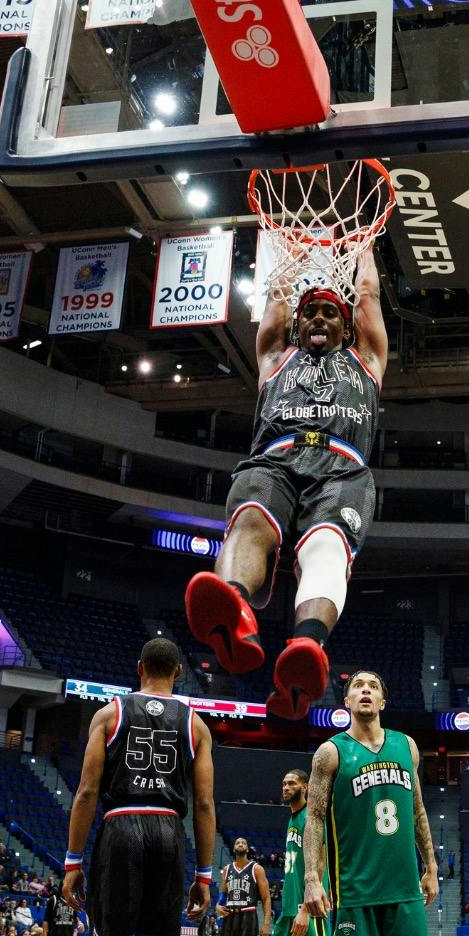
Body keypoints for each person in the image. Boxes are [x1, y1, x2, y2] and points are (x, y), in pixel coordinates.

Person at [185, 247, 388, 720]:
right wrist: (286, 255)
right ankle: (234, 610)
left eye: (330, 314)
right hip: (275, 458)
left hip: (342, 464)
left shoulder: (368, 360)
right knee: (251, 520)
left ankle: (307, 647)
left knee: (326, 547)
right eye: (310, 313)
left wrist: (366, 249)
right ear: (298, 327)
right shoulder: (276, 356)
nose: (319, 318)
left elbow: (368, 295)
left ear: (347, 327)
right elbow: (276, 299)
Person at [61, 637, 216, 936]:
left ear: (139, 667)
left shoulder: (110, 714)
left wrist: (72, 862)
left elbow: (86, 793)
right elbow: (205, 803)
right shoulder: (196, 725)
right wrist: (205, 875)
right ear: (178, 673)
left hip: (121, 826)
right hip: (168, 831)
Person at [303, 670, 438, 936]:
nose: (365, 690)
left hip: (403, 878)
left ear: (382, 701)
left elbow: (418, 809)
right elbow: (315, 817)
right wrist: (312, 879)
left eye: (373, 686)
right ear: (347, 701)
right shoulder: (330, 752)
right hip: (356, 880)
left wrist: (432, 866)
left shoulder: (406, 745)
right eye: (357, 687)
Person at [250, 771, 334, 936]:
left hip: (310, 906)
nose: (286, 787)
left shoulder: (312, 818)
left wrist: (307, 909)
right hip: (289, 909)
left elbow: (321, 863)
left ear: (305, 787)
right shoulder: (292, 818)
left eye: (291, 783)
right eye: (284, 783)